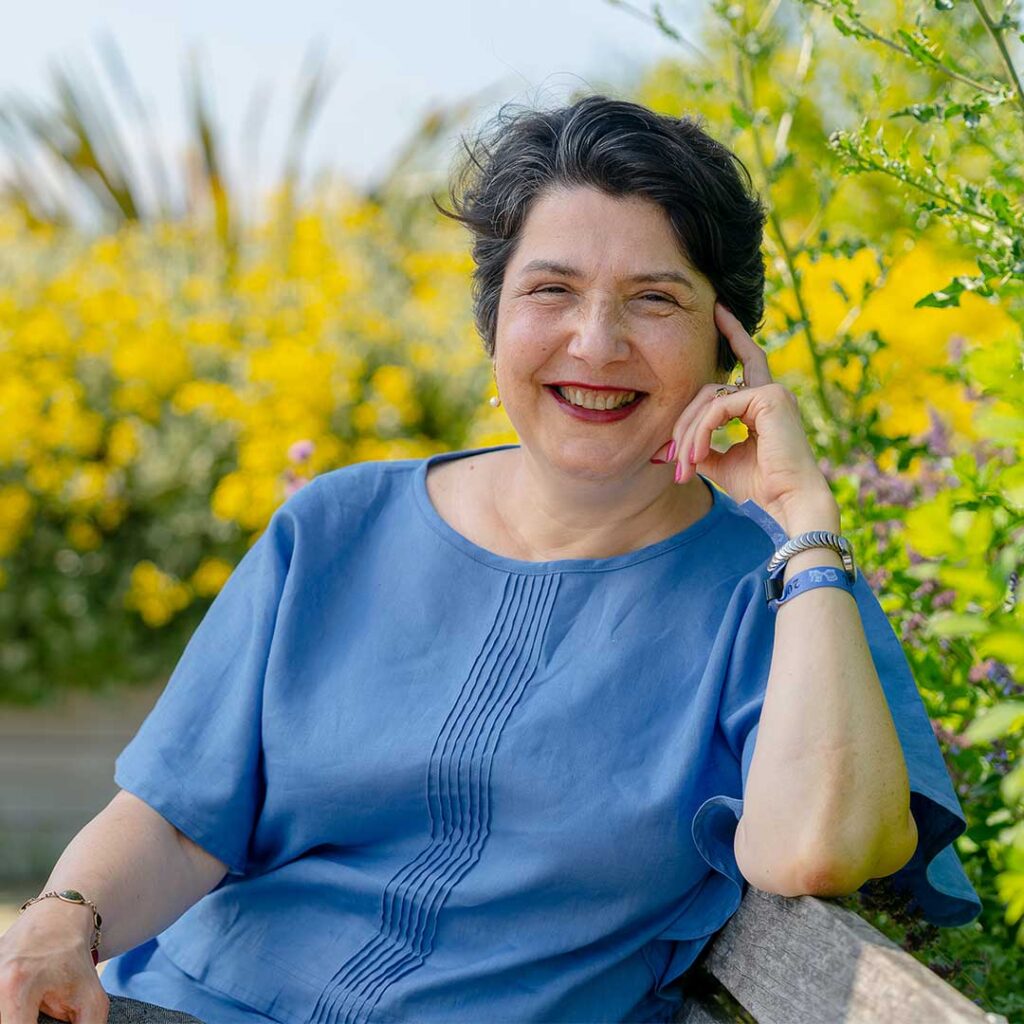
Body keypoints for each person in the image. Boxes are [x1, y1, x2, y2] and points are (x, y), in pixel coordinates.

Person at [0, 94, 981, 1024]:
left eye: (653, 299)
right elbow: (176, 820)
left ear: (727, 347)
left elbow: (816, 848)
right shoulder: (338, 526)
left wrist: (800, 511)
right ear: (495, 318)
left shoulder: (778, 590)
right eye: (550, 289)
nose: (594, 343)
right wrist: (59, 921)